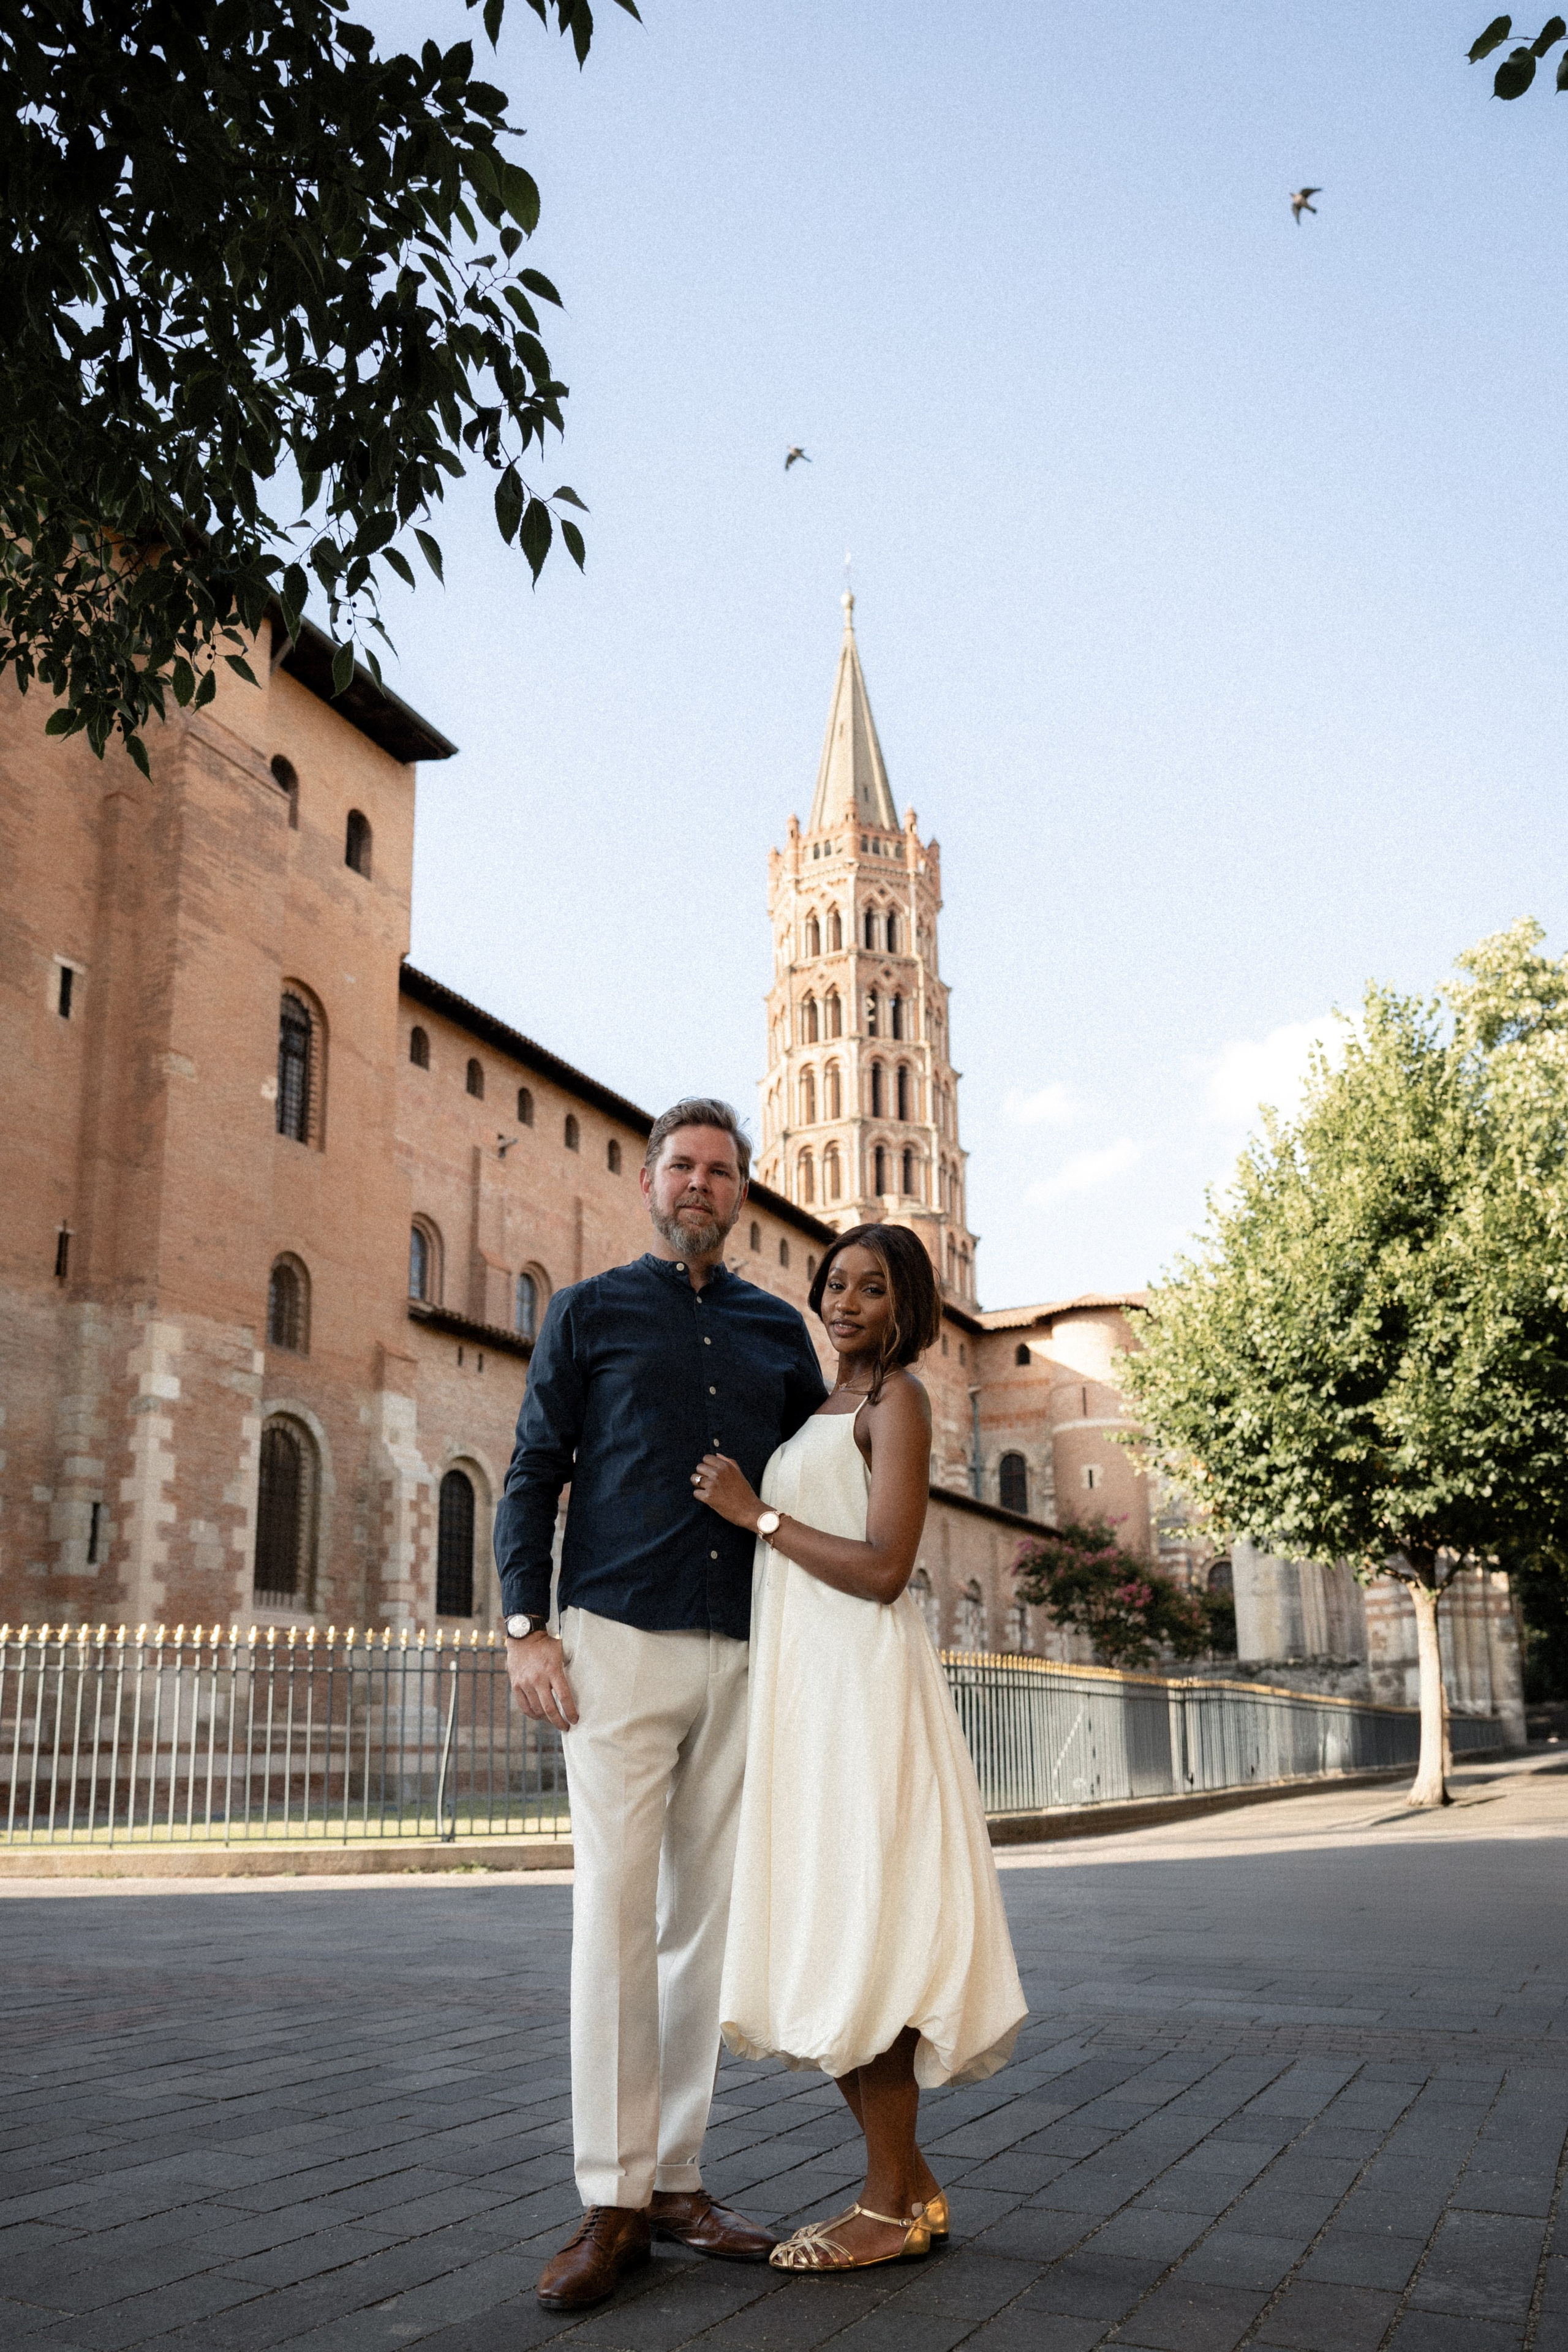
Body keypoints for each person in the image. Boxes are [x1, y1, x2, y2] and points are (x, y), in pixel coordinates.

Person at [493, 1099, 829, 2312]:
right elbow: (532, 1469)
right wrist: (526, 1627)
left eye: (720, 1171)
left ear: (741, 1196)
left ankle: (679, 2178)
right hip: (615, 1646)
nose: (698, 1185)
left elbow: (814, 1475)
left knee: (705, 1925)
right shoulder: (588, 1312)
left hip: (740, 1652)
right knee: (614, 1917)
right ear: (647, 1184)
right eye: (680, 1166)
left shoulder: (774, 1330)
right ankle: (610, 2197)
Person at [693, 1222, 1027, 2272]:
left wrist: (757, 1515)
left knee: (860, 1934)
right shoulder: (829, 1405)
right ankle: (912, 2191)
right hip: (806, 1692)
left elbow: (888, 1567)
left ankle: (886, 2207)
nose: (844, 1302)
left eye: (871, 1289)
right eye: (834, 1283)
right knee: (825, 1928)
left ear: (905, 1306)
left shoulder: (899, 1403)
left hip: (863, 1694)